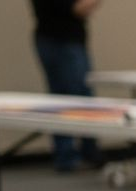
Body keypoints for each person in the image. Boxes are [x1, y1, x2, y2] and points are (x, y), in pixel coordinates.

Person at [30, 0, 104, 172]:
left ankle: (66, 154)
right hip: (66, 40)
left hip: (47, 38)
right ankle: (87, 151)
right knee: (82, 98)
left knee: (59, 99)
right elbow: (79, 9)